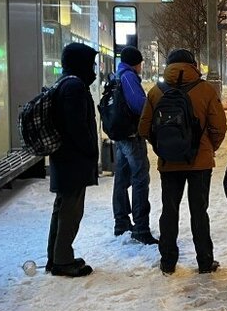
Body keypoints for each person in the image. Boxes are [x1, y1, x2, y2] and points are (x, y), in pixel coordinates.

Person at [138, 49, 227, 274]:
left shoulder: (156, 91)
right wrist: (207, 148)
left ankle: (168, 261)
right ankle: (205, 262)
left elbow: (144, 127)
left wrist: (163, 147)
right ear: (194, 65)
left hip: (169, 163)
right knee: (199, 211)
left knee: (169, 210)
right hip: (200, 164)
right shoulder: (206, 90)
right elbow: (219, 127)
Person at [46, 42, 99, 277]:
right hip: (72, 160)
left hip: (64, 159)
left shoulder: (64, 84)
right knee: (70, 210)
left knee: (62, 207)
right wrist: (90, 149)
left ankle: (56, 256)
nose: (94, 68)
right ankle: (63, 260)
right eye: (91, 63)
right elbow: (77, 127)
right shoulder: (74, 87)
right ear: (81, 64)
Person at [112, 47, 158, 245]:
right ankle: (141, 227)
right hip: (131, 135)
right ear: (135, 63)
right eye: (140, 63)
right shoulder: (128, 77)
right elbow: (139, 104)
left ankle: (121, 222)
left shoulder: (116, 75)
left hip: (121, 136)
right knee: (140, 178)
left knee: (121, 179)